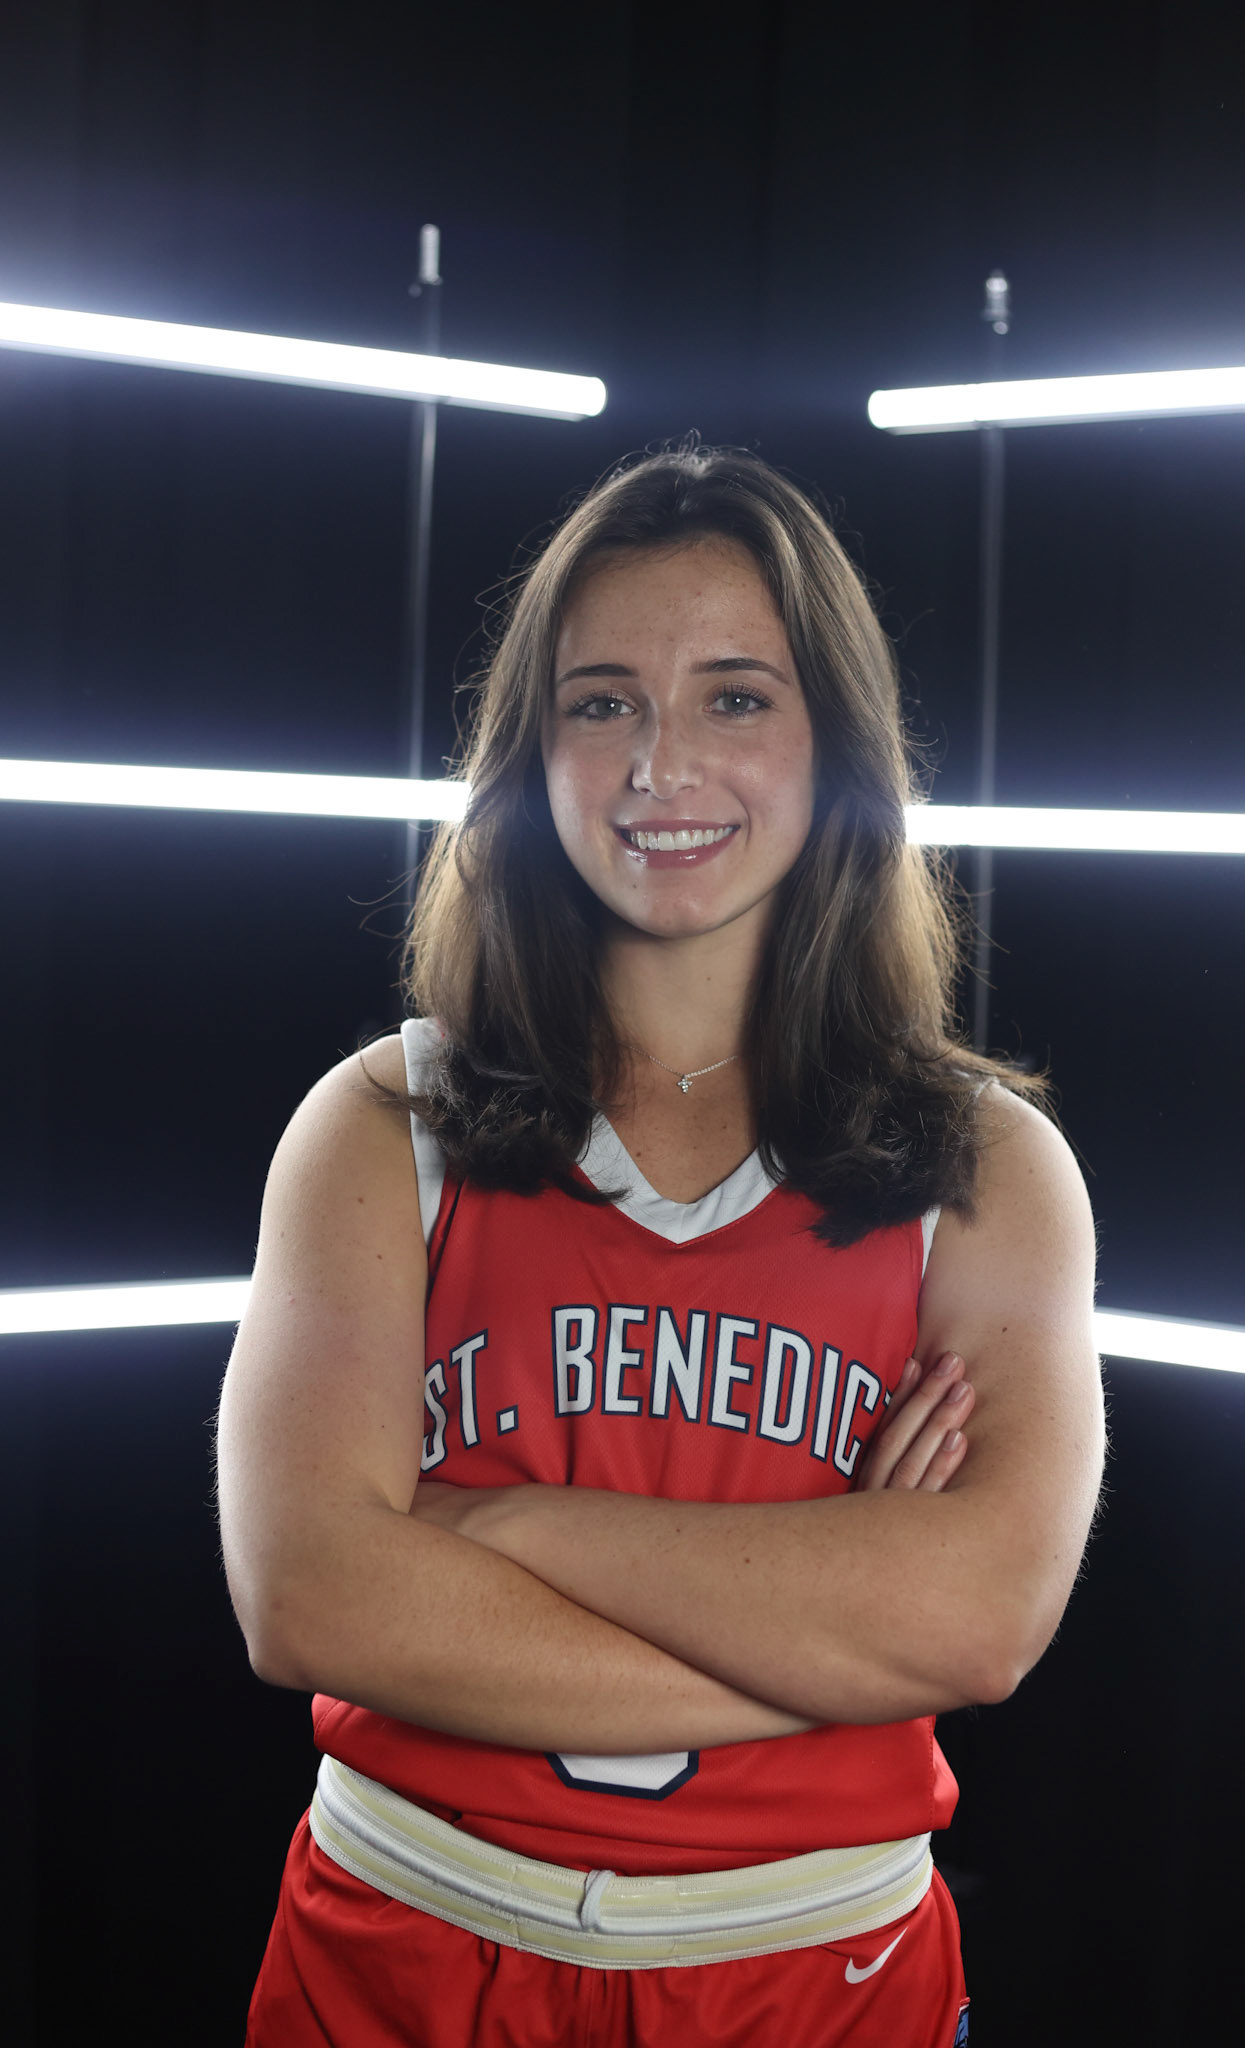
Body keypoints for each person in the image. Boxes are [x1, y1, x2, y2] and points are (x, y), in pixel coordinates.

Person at [216, 440, 1104, 2047]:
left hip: (816, 1972)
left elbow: (976, 1624)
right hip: (402, 1947)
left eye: (736, 698)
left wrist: (495, 1525)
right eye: (602, 699)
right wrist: (835, 1646)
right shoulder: (376, 1124)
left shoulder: (986, 1168)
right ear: (531, 750)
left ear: (833, 741)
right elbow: (309, 1600)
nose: (658, 764)